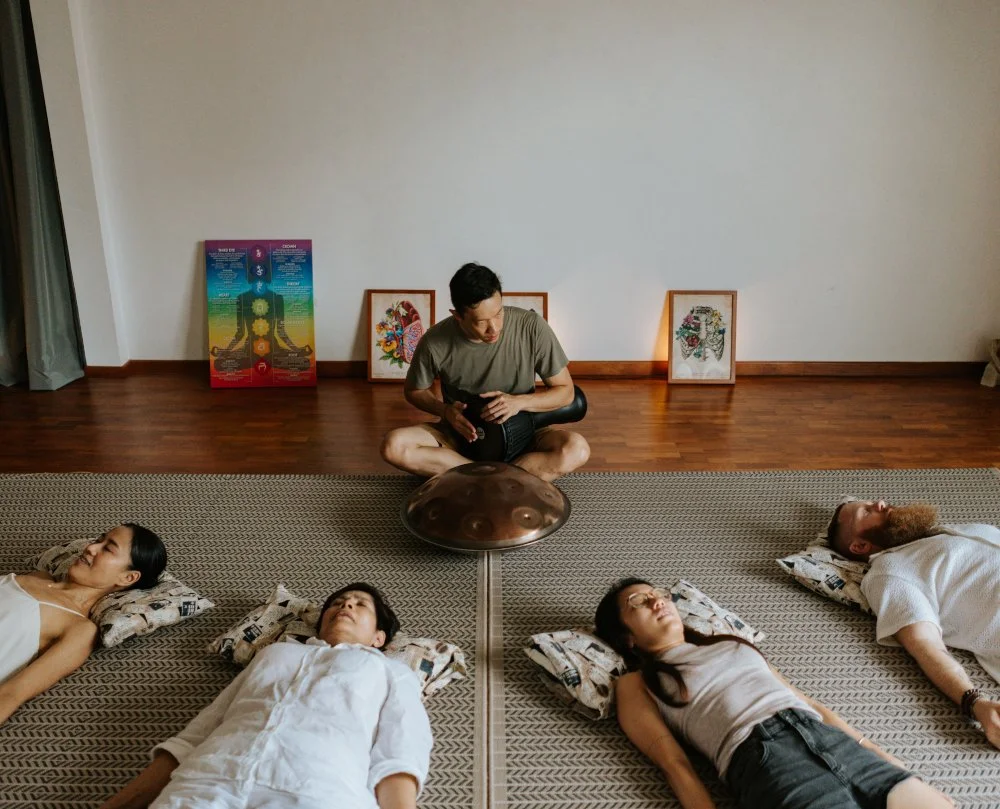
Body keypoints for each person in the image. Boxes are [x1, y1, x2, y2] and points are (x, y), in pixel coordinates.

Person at [594, 578, 953, 809]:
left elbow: (810, 703)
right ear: (626, 637)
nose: (658, 601)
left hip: (829, 739)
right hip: (764, 760)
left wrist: (881, 755)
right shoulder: (636, 683)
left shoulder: (730, 644)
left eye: (659, 594)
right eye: (640, 601)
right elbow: (674, 765)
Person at [100, 583, 432, 809]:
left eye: (361, 605)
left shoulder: (390, 671)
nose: (345, 604)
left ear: (378, 637)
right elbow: (195, 736)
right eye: (337, 602)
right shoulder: (276, 653)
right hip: (207, 782)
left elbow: (399, 755)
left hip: (316, 791)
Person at [380, 262, 589, 482]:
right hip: (463, 438)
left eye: (499, 314)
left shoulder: (531, 326)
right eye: (481, 322)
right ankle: (503, 481)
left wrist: (518, 402)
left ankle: (476, 481)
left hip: (523, 433)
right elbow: (414, 391)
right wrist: (445, 411)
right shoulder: (434, 342)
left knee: (577, 449)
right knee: (393, 446)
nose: (495, 328)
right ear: (457, 315)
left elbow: (566, 392)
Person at [827, 498, 1000, 748]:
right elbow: (924, 644)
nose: (880, 503)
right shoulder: (890, 570)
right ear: (859, 546)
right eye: (866, 512)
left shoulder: (952, 532)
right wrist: (975, 703)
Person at [0, 523, 167, 726]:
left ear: (128, 577)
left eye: (108, 548)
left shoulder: (80, 630)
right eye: (98, 540)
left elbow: (14, 692)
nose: (90, 547)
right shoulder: (39, 576)